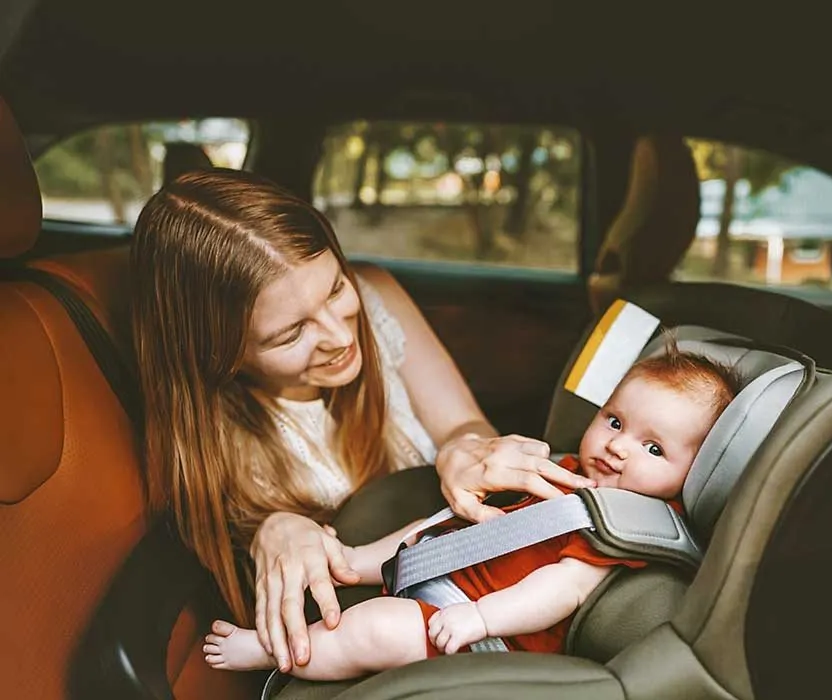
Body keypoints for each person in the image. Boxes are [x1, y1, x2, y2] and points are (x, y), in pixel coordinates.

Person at [130, 169, 596, 674]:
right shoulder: (216, 430)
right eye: (291, 334)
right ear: (220, 355)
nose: (338, 335)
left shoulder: (375, 296)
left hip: (489, 599)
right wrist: (275, 526)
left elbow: (463, 425)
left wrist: (464, 450)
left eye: (334, 289)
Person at [201, 349, 737, 679]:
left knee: (376, 629)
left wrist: (481, 619)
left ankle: (276, 653)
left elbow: (563, 588)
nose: (619, 447)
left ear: (696, 473)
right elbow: (456, 523)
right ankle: (355, 560)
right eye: (616, 422)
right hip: (450, 575)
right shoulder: (568, 467)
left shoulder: (627, 524)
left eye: (653, 449)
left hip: (491, 633)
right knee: (438, 525)